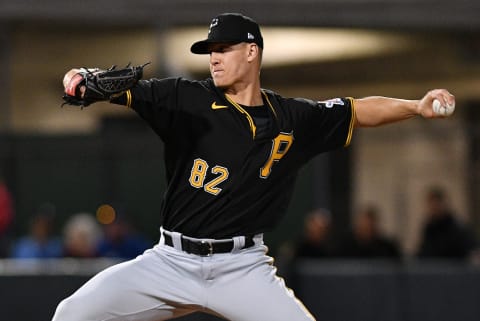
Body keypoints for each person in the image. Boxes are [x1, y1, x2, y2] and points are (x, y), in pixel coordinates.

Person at [53, 12, 456, 321]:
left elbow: (358, 109)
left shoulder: (293, 118)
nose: (214, 57)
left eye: (224, 48)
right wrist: (86, 78)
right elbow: (127, 90)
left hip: (241, 267)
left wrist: (416, 107)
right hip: (171, 261)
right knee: (71, 314)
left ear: (252, 52)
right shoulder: (185, 98)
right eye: (210, 50)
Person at [417, 186, 476, 259]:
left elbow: (470, 251)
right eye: (431, 205)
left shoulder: (458, 228)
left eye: (436, 204)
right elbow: (423, 252)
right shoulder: (429, 228)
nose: (433, 208)